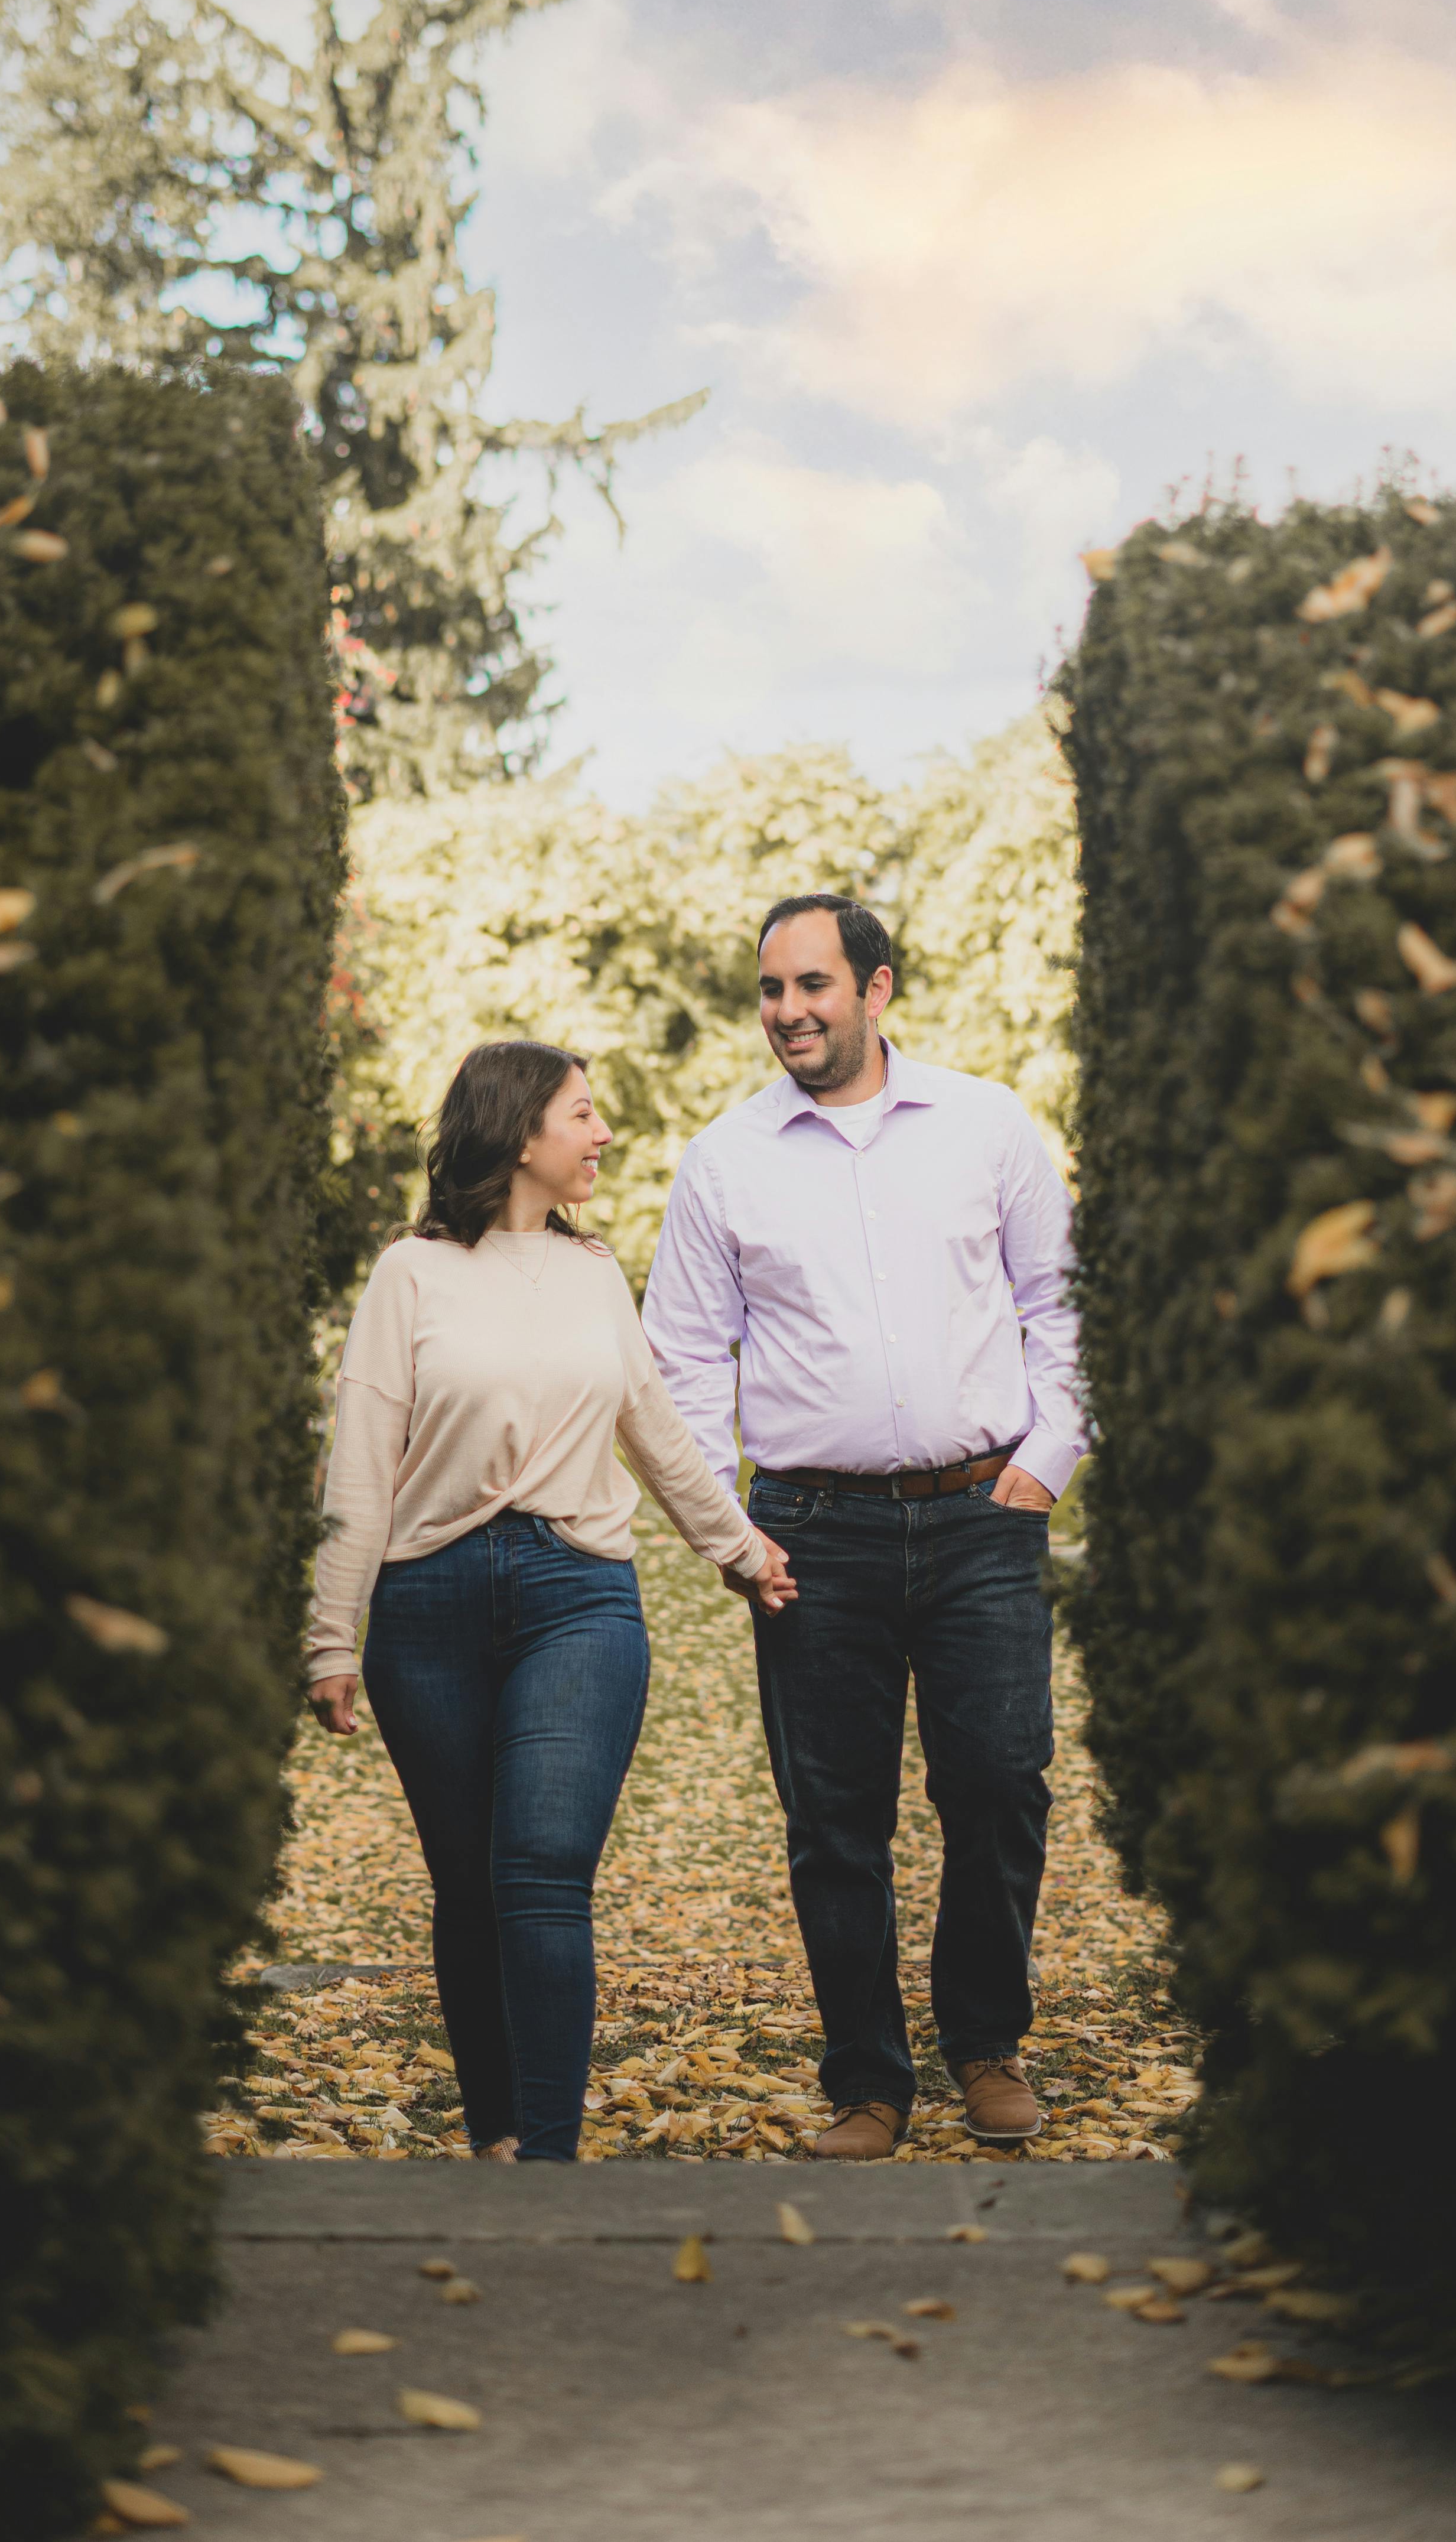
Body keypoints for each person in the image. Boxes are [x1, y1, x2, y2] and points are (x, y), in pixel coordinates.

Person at [642, 895, 1084, 2159]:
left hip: (982, 1514)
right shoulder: (726, 1159)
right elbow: (679, 1360)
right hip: (808, 1534)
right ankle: (868, 2081)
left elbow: (1059, 1305)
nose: (787, 1010)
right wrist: (731, 1530)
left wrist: (1047, 1460)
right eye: (770, 989)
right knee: (834, 1818)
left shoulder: (984, 1125)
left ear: (876, 990)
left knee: (999, 1783)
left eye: (812, 985)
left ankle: (986, 2043)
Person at [306, 1040, 794, 2162]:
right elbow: (362, 1464)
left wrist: (739, 1547)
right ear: (520, 1128)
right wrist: (334, 1636)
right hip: (426, 1608)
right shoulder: (408, 1275)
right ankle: (495, 2140)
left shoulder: (589, 1274)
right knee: (470, 1886)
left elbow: (658, 1433)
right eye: (584, 1113)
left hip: (579, 1597)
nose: (603, 1132)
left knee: (541, 1866)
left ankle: (552, 2162)